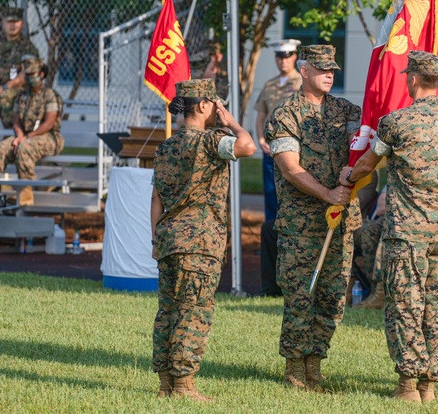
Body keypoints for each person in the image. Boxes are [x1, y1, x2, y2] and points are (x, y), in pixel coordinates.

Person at [340, 51, 438, 403]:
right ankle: (430, 385)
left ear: (412, 80)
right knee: (437, 305)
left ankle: (408, 385)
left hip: (407, 232)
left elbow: (368, 162)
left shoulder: (395, 123)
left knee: (405, 305)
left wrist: (348, 176)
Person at [151, 78, 255, 401]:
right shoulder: (212, 142)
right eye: (215, 104)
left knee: (168, 311)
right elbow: (248, 146)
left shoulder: (165, 146)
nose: (217, 109)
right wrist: (232, 122)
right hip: (199, 244)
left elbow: (156, 199)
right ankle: (184, 386)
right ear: (204, 106)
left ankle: (166, 384)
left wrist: (155, 239)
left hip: (169, 240)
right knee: (193, 311)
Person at [265, 44, 360, 392]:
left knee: (333, 298)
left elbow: (365, 151)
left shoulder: (348, 111)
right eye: (321, 69)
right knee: (301, 297)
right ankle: (294, 368)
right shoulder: (285, 114)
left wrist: (356, 172)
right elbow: (291, 169)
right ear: (304, 71)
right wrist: (328, 194)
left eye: (332, 69)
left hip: (341, 223)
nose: (329, 75)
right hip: (301, 224)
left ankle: (315, 365)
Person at [255, 39, 302, 298]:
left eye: (287, 55)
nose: (283, 60)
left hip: (292, 152)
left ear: (295, 56)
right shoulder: (270, 85)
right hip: (270, 151)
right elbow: (261, 114)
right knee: (271, 204)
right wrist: (261, 138)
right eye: (279, 56)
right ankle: (273, 251)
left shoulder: (302, 82)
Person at [0, 58, 64, 207]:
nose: (30, 77)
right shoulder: (21, 95)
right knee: (1, 148)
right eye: (27, 74)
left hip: (49, 137)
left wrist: (26, 138)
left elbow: (49, 123)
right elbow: (16, 120)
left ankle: (26, 198)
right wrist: (19, 136)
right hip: (25, 136)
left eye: (33, 74)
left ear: (42, 74)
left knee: (24, 149)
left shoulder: (50, 95)